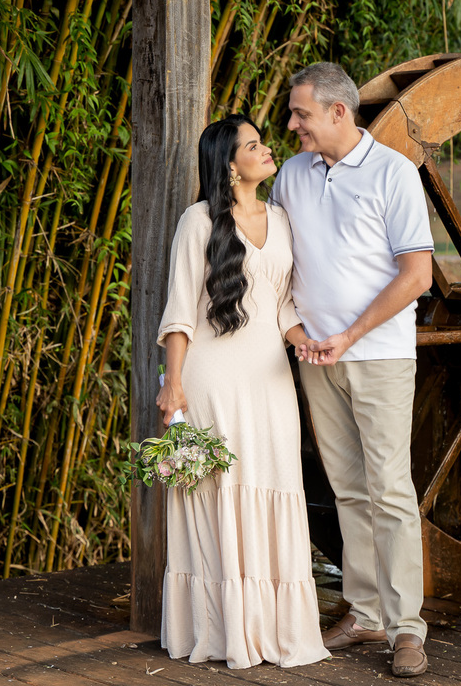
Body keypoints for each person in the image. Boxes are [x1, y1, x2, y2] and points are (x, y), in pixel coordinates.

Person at [269, 63, 433, 678]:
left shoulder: (393, 173)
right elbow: (275, 260)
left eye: (301, 114)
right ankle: (364, 614)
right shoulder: (291, 174)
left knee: (390, 491)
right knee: (347, 489)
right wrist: (300, 334)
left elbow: (416, 275)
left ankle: (407, 629)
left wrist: (349, 335)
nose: (292, 126)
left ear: (340, 112)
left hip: (379, 356)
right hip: (316, 357)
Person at [155, 115, 330, 670]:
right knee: (221, 494)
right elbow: (180, 311)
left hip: (271, 379)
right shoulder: (198, 221)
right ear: (230, 165)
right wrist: (173, 385)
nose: (267, 148)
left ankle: (273, 631)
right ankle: (225, 629)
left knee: (274, 485)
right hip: (212, 380)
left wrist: (309, 343)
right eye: (253, 145)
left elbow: (281, 305)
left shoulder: (280, 218)